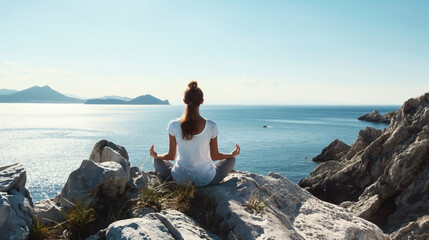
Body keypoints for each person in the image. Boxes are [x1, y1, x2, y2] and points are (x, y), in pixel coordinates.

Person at [150, 81, 240, 186]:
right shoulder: (211, 125)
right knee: (231, 160)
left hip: (180, 179)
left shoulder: (173, 124)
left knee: (156, 161)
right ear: (202, 101)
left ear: (184, 101)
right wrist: (231, 154)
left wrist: (156, 155)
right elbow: (215, 156)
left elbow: (171, 156)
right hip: (207, 180)